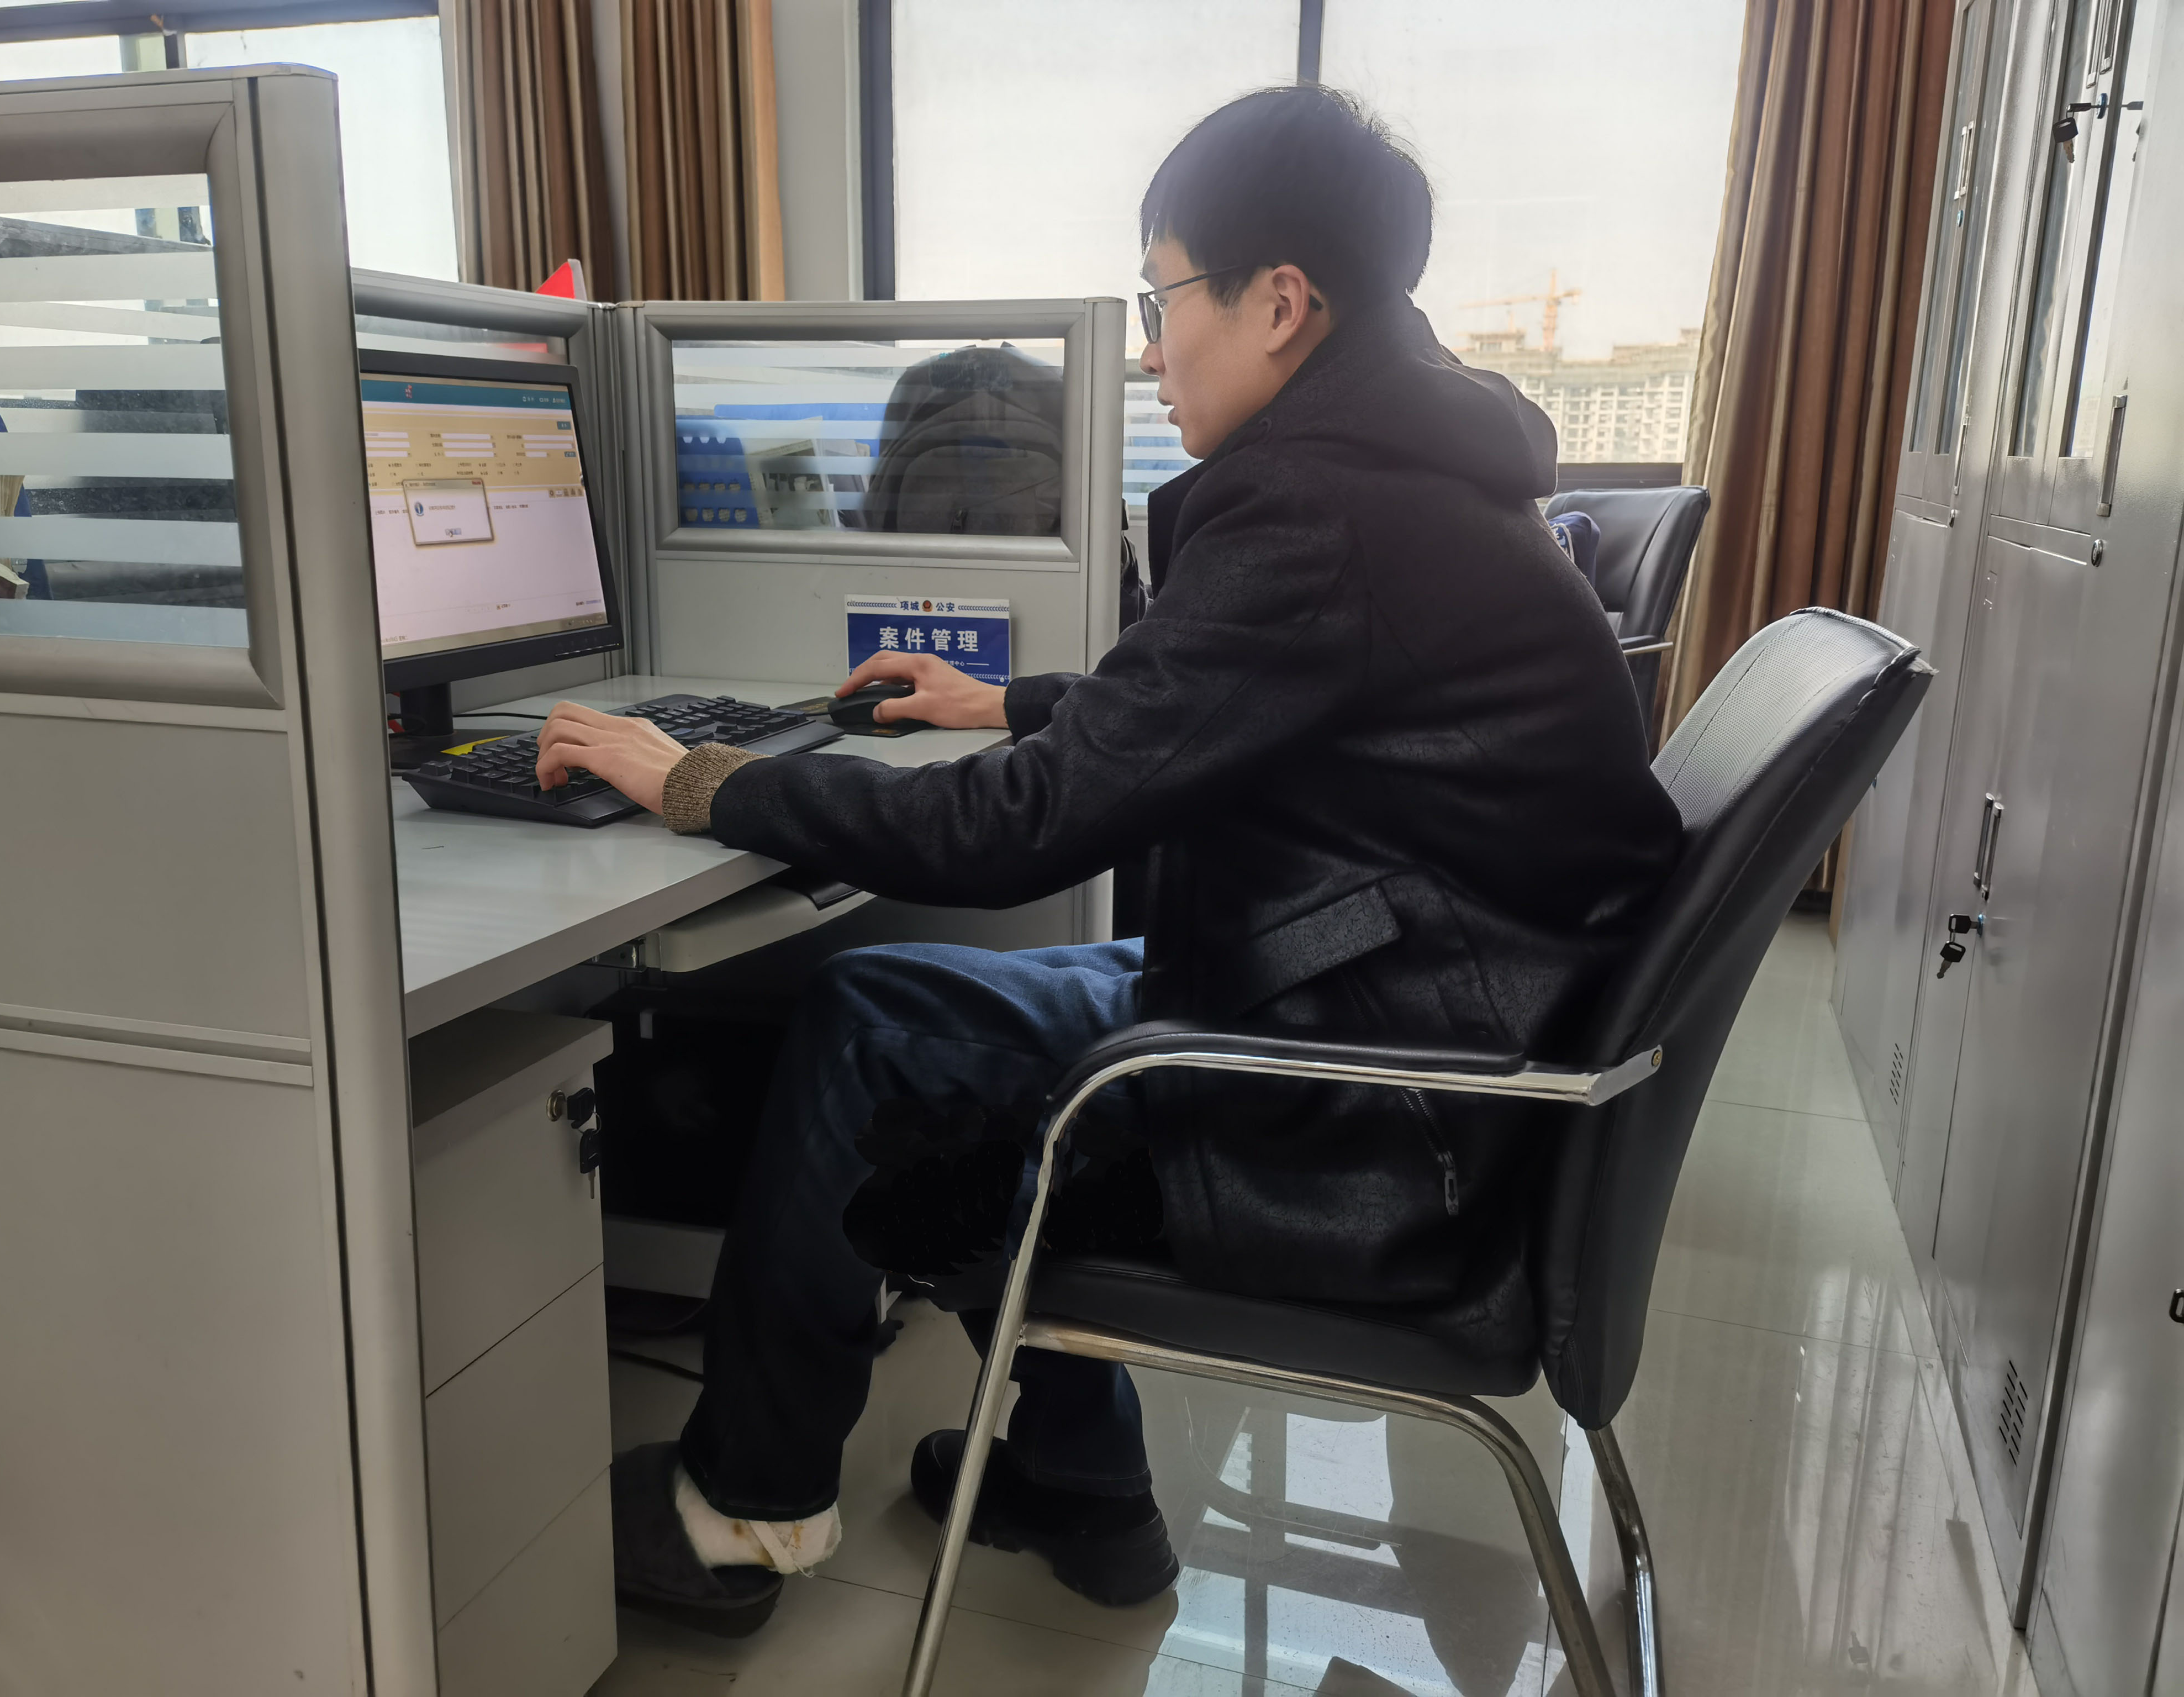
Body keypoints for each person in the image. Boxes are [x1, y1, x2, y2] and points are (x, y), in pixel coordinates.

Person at [533, 85, 1683, 1635]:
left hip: (1371, 1117)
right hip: (1415, 1033)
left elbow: (1015, 831)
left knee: (877, 1031)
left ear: (1281, 304)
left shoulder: (1323, 505)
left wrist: (700, 778)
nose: (1148, 349)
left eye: (1161, 298)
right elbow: (1259, 697)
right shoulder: (1415, 471)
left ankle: (745, 1507)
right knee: (949, 1030)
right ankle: (1079, 1480)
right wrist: (1011, 702)